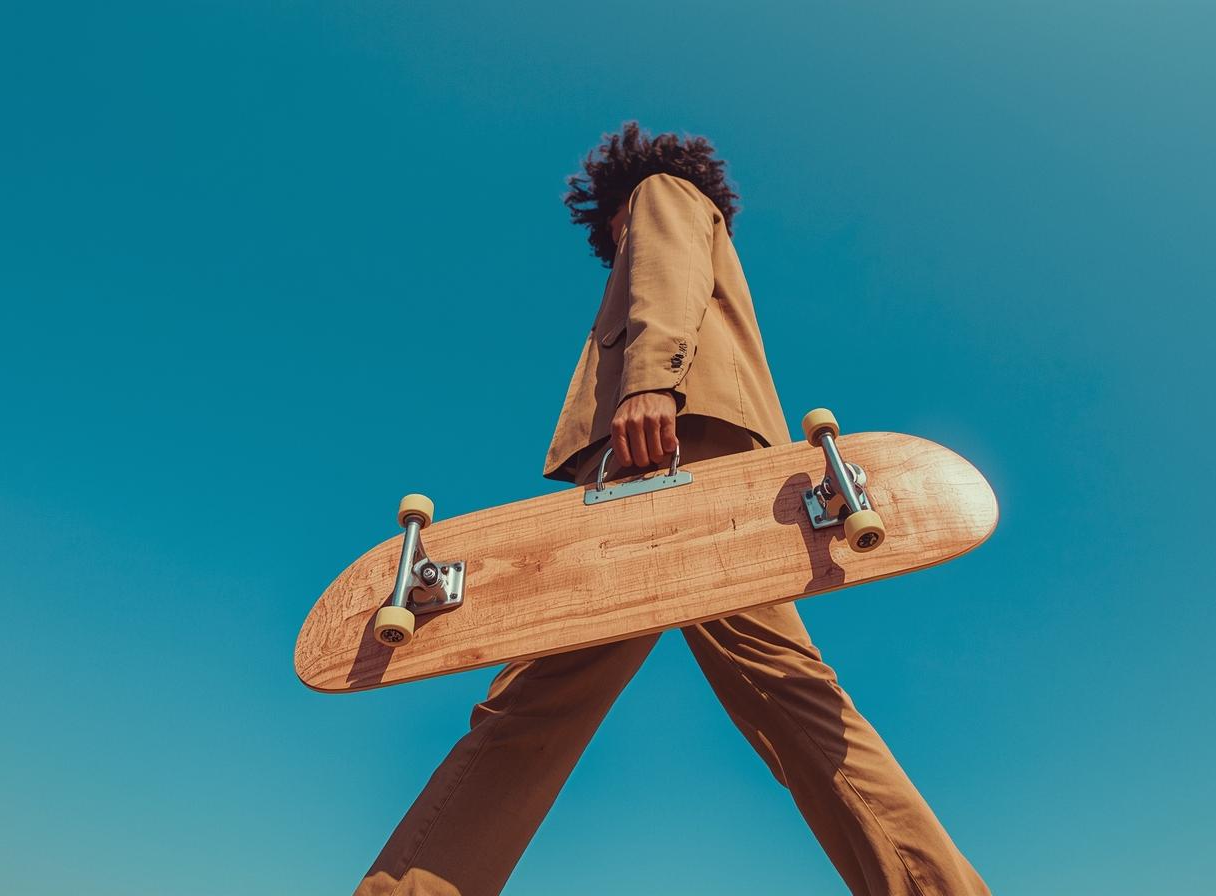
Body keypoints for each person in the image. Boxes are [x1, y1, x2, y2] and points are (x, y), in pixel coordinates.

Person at [356, 122, 989, 896]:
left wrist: (652, 380)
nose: (620, 240)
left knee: (534, 710)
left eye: (614, 229)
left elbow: (670, 268)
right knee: (781, 691)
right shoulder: (689, 216)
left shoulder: (660, 195)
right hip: (704, 461)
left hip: (672, 453)